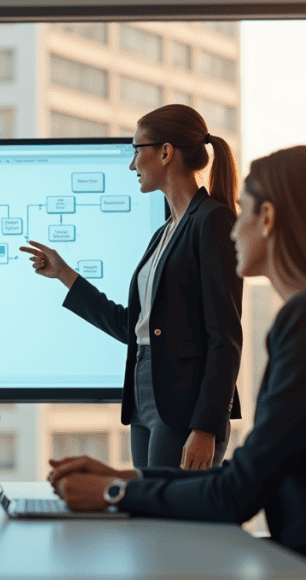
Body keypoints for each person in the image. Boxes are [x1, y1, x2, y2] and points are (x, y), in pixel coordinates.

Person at [48, 145, 306, 558]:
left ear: (267, 218)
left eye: (241, 211)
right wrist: (125, 475)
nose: (231, 230)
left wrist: (114, 491)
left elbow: (237, 495)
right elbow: (244, 475)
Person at [22, 104, 242, 469]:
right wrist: (65, 275)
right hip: (145, 394)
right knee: (146, 516)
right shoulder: (165, 232)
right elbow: (133, 326)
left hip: (184, 405)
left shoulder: (212, 221)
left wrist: (207, 425)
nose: (132, 164)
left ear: (166, 152)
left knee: (167, 519)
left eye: (137, 150)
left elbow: (225, 336)